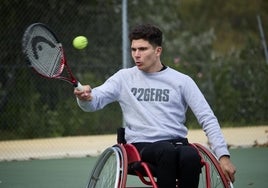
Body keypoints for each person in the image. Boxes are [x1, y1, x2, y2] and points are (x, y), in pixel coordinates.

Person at [74, 23, 236, 188]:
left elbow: (207, 117)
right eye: (133, 49)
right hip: (141, 147)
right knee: (166, 151)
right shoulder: (123, 78)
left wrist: (223, 156)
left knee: (191, 156)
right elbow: (94, 102)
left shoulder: (182, 81)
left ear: (158, 51)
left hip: (177, 144)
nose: (136, 55)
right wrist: (85, 97)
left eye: (143, 49)